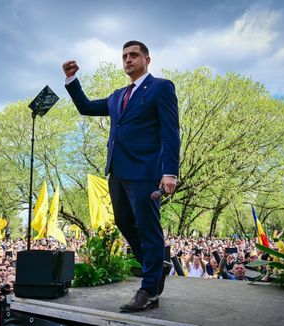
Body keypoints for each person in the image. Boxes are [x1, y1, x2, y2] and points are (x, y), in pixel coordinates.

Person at [63, 40, 180, 312]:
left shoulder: (161, 88)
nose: (128, 60)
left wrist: (170, 171)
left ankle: (149, 290)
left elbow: (171, 131)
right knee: (124, 222)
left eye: (134, 55)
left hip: (146, 172)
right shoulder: (117, 96)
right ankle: (156, 265)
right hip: (117, 171)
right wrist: (71, 80)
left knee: (148, 228)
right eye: (125, 56)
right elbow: (87, 107)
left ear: (147, 60)